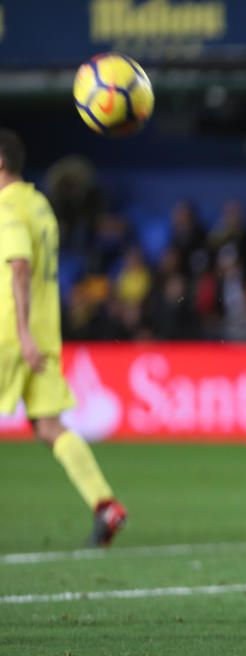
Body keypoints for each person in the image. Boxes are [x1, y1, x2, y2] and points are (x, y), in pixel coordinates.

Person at [0, 130, 127, 547]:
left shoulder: (6, 207)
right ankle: (104, 504)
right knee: (50, 426)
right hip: (44, 333)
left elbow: (18, 267)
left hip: (10, 332)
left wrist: (20, 334)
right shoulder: (40, 206)